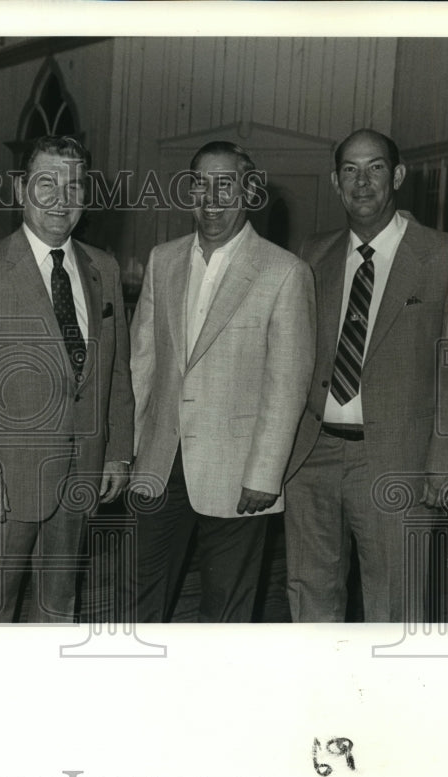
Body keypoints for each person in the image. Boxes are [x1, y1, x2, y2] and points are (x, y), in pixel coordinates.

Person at [284, 128, 448, 623]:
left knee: (396, 602)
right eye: (350, 170)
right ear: (335, 181)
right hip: (312, 455)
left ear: (397, 175)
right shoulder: (314, 253)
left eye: (375, 167)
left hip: (400, 460)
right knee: (310, 594)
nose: (362, 181)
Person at [0, 135, 134, 622]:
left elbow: (115, 370)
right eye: (46, 183)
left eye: (73, 185)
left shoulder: (103, 268)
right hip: (5, 479)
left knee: (58, 606)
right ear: (19, 189)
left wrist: (116, 452)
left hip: (80, 474)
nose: (60, 199)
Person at [128, 141, 315, 622]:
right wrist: (131, 450)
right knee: (140, 600)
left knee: (225, 613)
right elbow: (142, 363)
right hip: (159, 463)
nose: (211, 198)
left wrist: (264, 473)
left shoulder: (284, 272)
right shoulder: (163, 260)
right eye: (200, 184)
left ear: (249, 191)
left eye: (225, 185)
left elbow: (287, 383)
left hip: (238, 474)